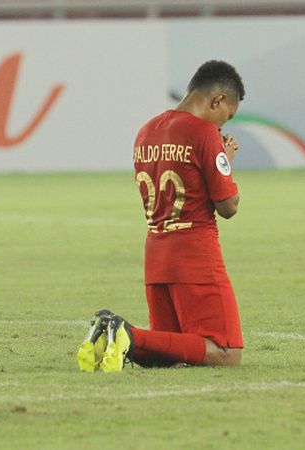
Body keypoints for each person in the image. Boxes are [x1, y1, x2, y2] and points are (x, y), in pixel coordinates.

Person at [76, 60, 245, 372]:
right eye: (227, 115)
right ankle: (125, 332)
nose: (223, 125)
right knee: (225, 353)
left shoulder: (147, 131)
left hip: (157, 255)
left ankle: (112, 335)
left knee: (174, 354)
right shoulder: (204, 132)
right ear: (217, 100)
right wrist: (226, 161)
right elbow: (228, 205)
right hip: (195, 252)